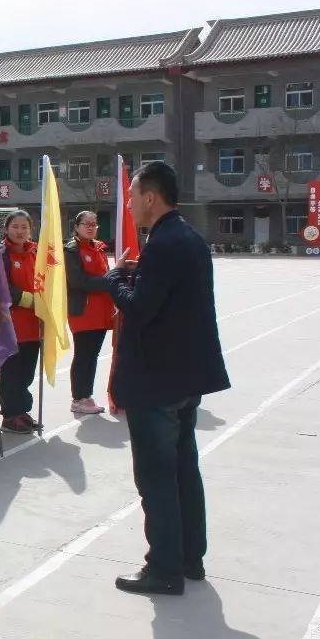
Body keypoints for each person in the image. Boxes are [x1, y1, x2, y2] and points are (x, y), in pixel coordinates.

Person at [105, 162, 230, 596]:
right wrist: (134, 278)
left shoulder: (162, 244)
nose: (131, 203)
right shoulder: (189, 237)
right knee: (182, 470)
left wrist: (113, 281)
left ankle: (163, 568)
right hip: (184, 376)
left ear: (150, 197)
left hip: (156, 379)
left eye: (133, 194)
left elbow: (140, 309)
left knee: (157, 476)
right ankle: (190, 557)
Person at [65, 210, 114, 415]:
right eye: (86, 223)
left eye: (94, 223)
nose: (91, 226)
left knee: (92, 355)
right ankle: (78, 398)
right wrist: (111, 278)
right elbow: (78, 282)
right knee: (83, 354)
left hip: (101, 311)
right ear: (76, 226)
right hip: (83, 311)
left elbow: (104, 275)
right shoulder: (72, 250)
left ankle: (86, 395)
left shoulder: (98, 248)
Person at [0, 211, 43, 434]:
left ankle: (22, 411)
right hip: (10, 325)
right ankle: (10, 415)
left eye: (24, 227)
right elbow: (1, 287)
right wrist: (30, 299)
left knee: (27, 371)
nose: (20, 231)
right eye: (15, 226)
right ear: (6, 229)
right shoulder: (1, 254)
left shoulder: (39, 253)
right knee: (11, 372)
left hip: (34, 325)